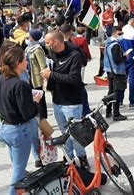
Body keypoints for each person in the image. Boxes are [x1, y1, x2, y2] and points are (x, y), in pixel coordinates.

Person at [0, 46, 43, 195]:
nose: (27, 63)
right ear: (17, 63)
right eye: (25, 60)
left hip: (4, 128)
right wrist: (35, 102)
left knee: (16, 164)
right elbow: (27, 114)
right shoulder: (19, 84)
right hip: (17, 130)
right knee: (18, 168)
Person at [41, 31, 89, 168]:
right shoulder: (52, 55)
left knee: (75, 134)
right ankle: (69, 158)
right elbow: (52, 75)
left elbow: (74, 79)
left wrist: (52, 74)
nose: (46, 45)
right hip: (57, 102)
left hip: (72, 103)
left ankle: (82, 157)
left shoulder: (74, 56)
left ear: (56, 42)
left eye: (48, 42)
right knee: (64, 134)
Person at [103, 27, 128, 121]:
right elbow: (117, 60)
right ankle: (116, 114)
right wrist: (125, 57)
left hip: (109, 70)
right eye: (119, 33)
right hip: (116, 71)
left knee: (111, 91)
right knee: (116, 93)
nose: (121, 35)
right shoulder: (115, 45)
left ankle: (108, 111)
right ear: (114, 34)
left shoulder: (107, 43)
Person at [25, 29, 48, 119]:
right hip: (29, 77)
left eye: (29, 36)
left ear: (33, 38)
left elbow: (43, 65)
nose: (27, 38)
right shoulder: (28, 48)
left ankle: (43, 118)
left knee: (41, 100)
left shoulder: (37, 49)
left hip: (37, 79)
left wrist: (45, 79)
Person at [119, 18, 134, 109]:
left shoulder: (121, 30)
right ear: (133, 23)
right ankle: (131, 100)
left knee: (122, 79)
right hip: (132, 58)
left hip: (122, 58)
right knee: (132, 80)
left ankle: (120, 100)